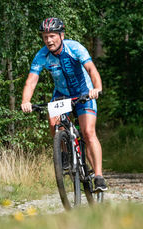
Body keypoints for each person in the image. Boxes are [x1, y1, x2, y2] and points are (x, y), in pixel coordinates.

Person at [21, 17, 107, 191]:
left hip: (84, 92)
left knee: (88, 132)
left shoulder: (74, 47)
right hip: (62, 95)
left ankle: (98, 176)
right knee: (53, 120)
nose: (48, 40)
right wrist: (26, 101)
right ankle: (65, 154)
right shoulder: (42, 55)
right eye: (45, 37)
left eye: (52, 36)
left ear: (61, 35)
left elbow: (91, 68)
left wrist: (96, 88)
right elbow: (31, 81)